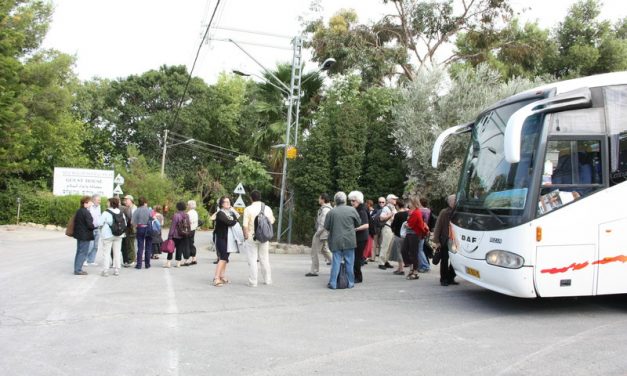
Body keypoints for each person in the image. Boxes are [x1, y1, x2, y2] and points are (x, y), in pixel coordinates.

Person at [324, 191, 361, 289]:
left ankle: (333, 283)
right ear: (345, 200)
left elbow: (326, 227)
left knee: (336, 262)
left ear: (335, 201)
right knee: (350, 262)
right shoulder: (352, 210)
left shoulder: (331, 212)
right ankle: (350, 283)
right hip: (349, 240)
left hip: (336, 240)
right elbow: (358, 223)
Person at [242, 190, 275, 287]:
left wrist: (246, 236)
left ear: (251, 198)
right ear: (260, 197)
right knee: (264, 259)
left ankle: (253, 281)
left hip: (252, 237)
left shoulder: (248, 209)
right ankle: (268, 280)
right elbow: (272, 221)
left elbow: (245, 225)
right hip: (264, 237)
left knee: (252, 260)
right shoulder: (267, 208)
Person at [212, 196, 240, 287]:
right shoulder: (220, 213)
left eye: (229, 202)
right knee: (223, 258)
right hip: (221, 238)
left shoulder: (230, 212)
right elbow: (229, 222)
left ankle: (222, 276)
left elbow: (238, 217)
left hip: (229, 239)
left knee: (226, 259)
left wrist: (233, 210)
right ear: (221, 203)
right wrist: (235, 220)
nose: (228, 203)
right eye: (225, 202)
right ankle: (216, 278)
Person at [433, 194, 459, 286]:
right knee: (444, 260)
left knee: (455, 261)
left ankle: (451, 277)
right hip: (445, 240)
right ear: (450, 202)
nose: (456, 201)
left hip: (455, 241)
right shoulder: (444, 212)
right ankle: (443, 279)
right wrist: (436, 241)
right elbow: (438, 226)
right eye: (455, 200)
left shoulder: (459, 212)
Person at [305, 193, 333, 277]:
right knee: (324, 250)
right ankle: (337, 264)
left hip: (321, 233)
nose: (318, 199)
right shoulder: (328, 208)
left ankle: (314, 270)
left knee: (314, 251)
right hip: (324, 233)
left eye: (319, 198)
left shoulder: (325, 210)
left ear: (323, 199)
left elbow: (323, 224)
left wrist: (317, 233)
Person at [403, 196, 430, 280]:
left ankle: (415, 272)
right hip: (410, 234)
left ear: (413, 203)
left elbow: (410, 225)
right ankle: (412, 269)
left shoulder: (416, 212)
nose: (408, 204)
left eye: (409, 202)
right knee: (405, 250)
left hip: (414, 235)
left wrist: (406, 224)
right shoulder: (413, 212)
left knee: (414, 253)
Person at [98, 197, 125, 277]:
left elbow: (99, 223)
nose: (107, 203)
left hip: (107, 235)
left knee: (106, 253)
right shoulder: (121, 212)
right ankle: (116, 270)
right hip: (119, 235)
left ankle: (105, 270)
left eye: (108, 202)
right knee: (117, 252)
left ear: (110, 203)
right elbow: (125, 223)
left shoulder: (106, 212)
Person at [348, 191, 369, 283]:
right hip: (358, 237)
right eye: (351, 201)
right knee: (355, 257)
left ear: (359, 200)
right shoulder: (357, 209)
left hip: (361, 237)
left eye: (353, 201)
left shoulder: (362, 210)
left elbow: (366, 225)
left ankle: (358, 277)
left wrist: (355, 229)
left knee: (357, 258)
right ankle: (356, 275)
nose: (352, 202)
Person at [72, 196, 94, 275]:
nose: (91, 203)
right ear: (85, 203)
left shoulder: (79, 211)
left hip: (79, 234)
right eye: (90, 202)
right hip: (85, 235)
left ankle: (77, 268)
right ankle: (78, 270)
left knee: (79, 252)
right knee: (83, 252)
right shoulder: (86, 212)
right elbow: (90, 225)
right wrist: (94, 226)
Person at [165, 201, 191, 268]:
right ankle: (178, 263)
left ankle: (168, 263)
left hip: (175, 235)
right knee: (180, 248)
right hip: (184, 234)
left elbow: (173, 226)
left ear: (177, 207)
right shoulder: (187, 215)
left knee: (171, 248)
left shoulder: (176, 215)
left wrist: (170, 236)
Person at [131, 196, 153, 269]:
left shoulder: (137, 210)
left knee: (140, 247)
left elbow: (132, 222)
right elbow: (152, 219)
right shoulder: (149, 210)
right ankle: (147, 264)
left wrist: (136, 227)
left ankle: (139, 265)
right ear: (145, 202)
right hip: (149, 229)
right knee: (148, 247)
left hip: (140, 228)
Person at [378, 194, 398, 269]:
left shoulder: (393, 208)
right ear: (389, 200)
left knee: (389, 246)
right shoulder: (386, 208)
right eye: (393, 199)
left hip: (391, 228)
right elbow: (381, 218)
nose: (395, 200)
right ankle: (381, 262)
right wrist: (390, 215)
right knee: (385, 245)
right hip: (387, 228)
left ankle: (385, 261)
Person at [389, 199, 408, 276]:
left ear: (397, 205)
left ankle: (401, 269)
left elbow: (393, 225)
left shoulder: (397, 215)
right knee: (405, 252)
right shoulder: (407, 213)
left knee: (399, 252)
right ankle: (401, 268)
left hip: (398, 235)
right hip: (406, 235)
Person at [85, 194, 101, 266]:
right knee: (90, 245)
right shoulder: (89, 207)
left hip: (97, 228)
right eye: (98, 200)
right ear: (93, 200)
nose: (99, 201)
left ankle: (91, 260)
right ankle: (84, 260)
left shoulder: (99, 207)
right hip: (90, 229)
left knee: (95, 246)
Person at [121, 195, 137, 267]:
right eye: (124, 200)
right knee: (127, 245)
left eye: (126, 200)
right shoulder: (127, 208)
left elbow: (133, 220)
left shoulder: (134, 208)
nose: (125, 201)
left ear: (131, 200)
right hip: (127, 228)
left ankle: (132, 260)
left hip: (132, 229)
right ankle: (128, 260)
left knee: (131, 245)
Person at [187, 200, 199, 265]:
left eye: (188, 204)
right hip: (193, 229)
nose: (187, 205)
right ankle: (193, 258)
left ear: (189, 205)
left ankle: (189, 258)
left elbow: (189, 221)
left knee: (188, 244)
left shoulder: (189, 213)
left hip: (189, 229)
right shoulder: (195, 212)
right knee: (191, 243)